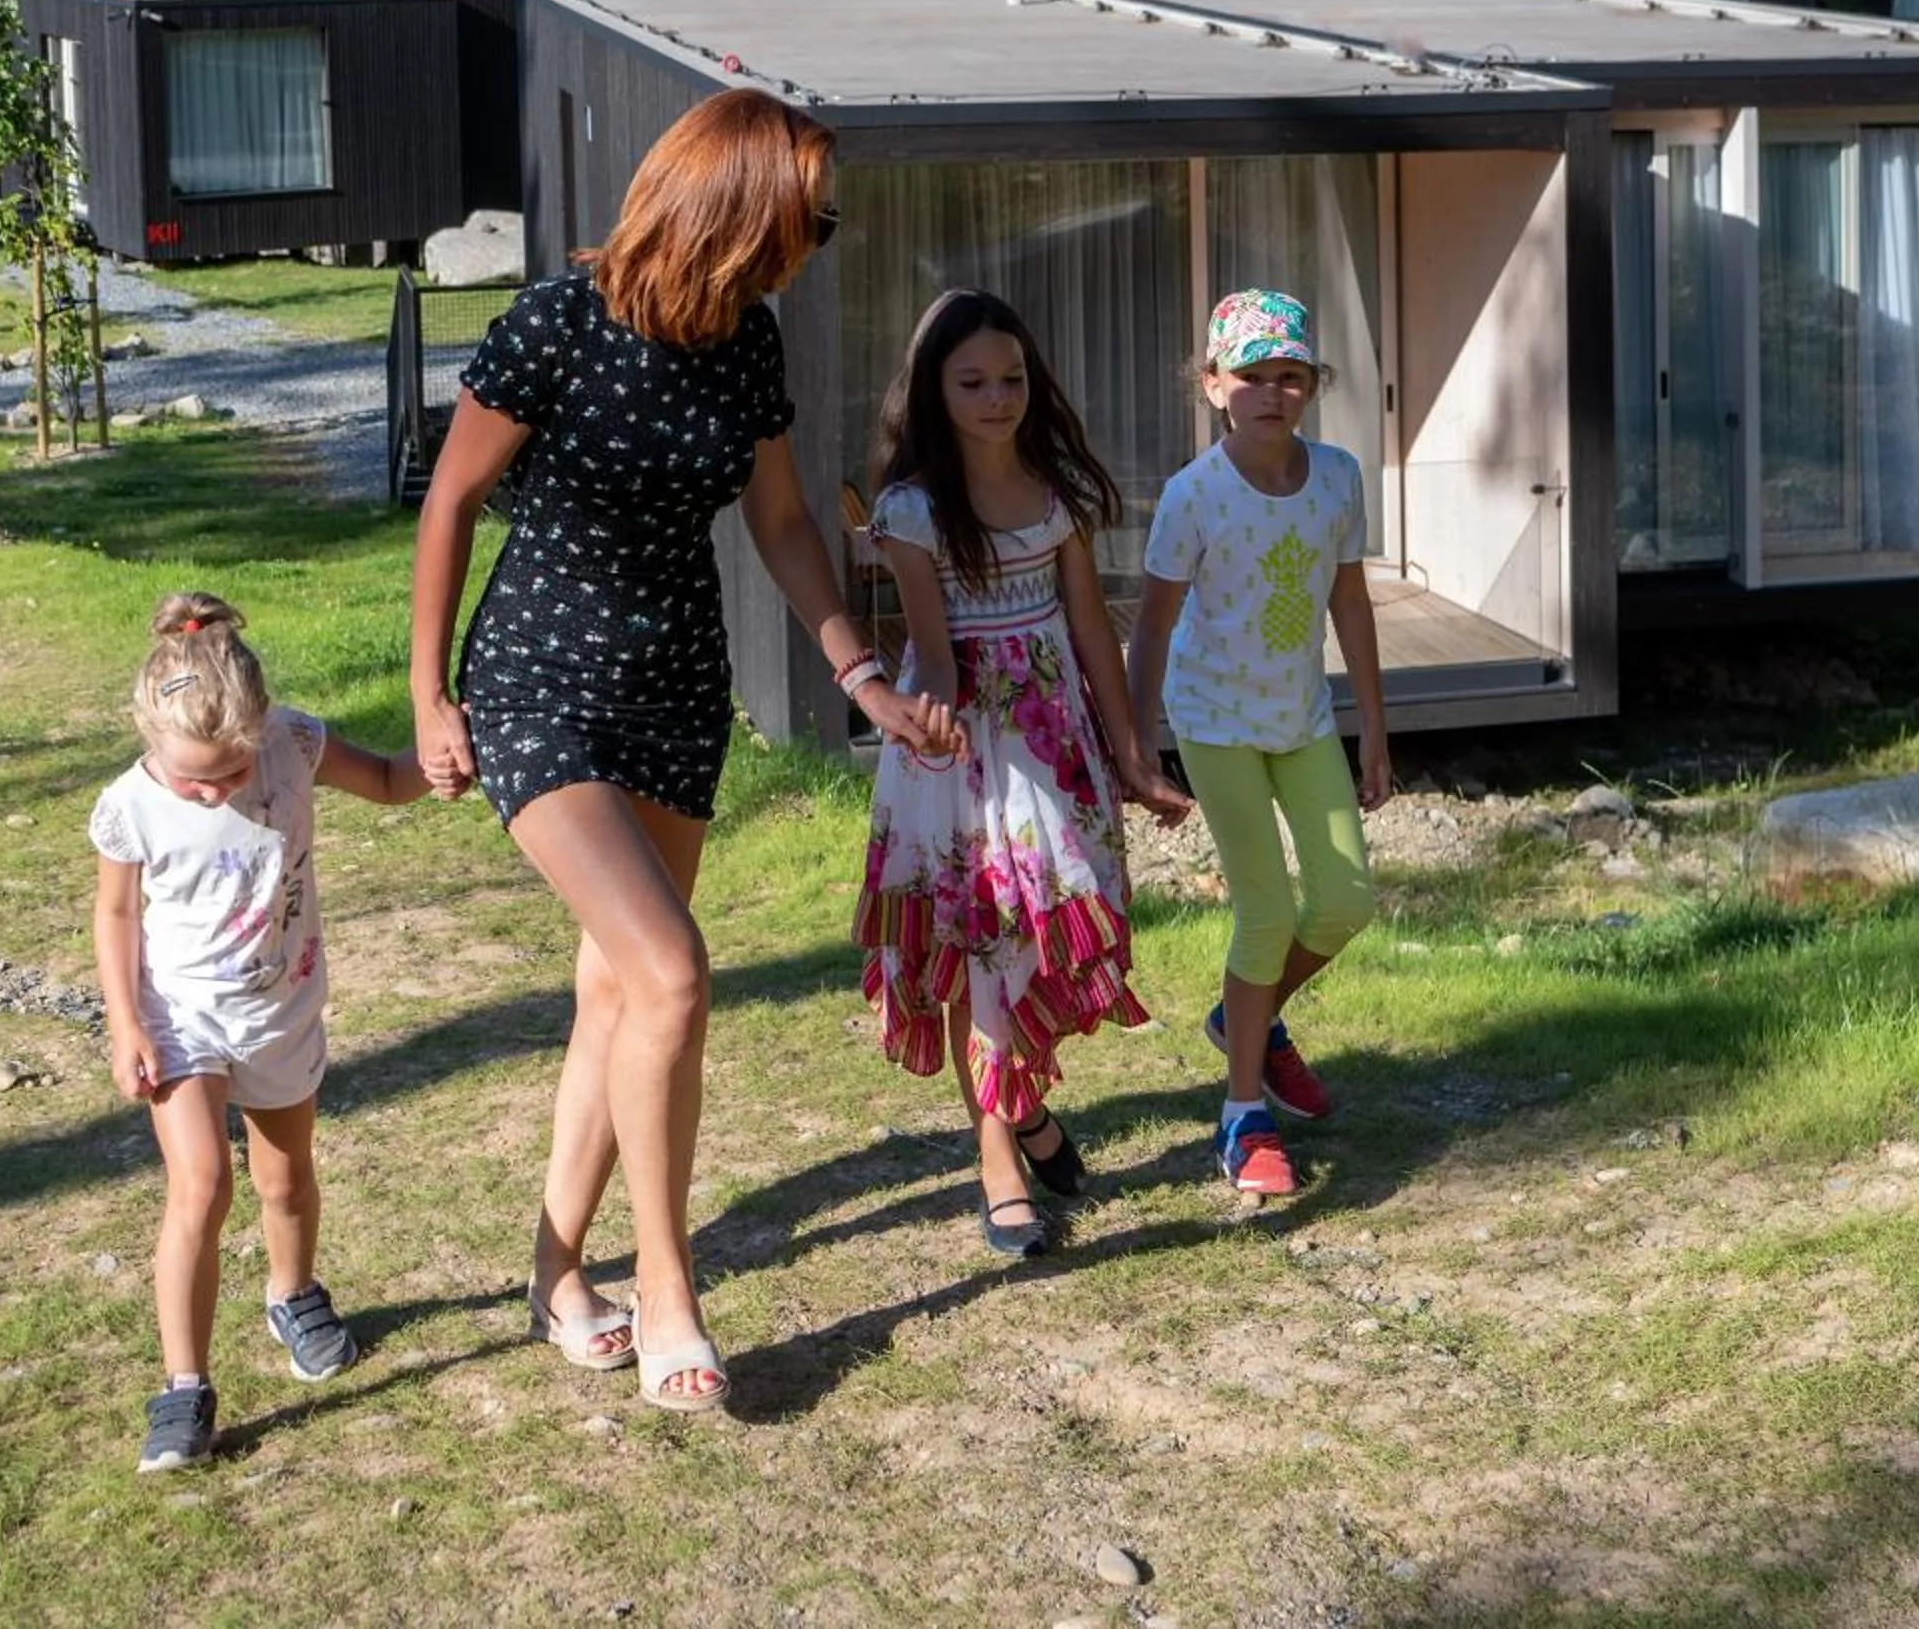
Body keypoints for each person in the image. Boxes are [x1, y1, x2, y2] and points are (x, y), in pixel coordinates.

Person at [410, 88, 946, 1413]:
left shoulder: (747, 340)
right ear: (738, 210)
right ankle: (667, 1285)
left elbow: (781, 521)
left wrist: (860, 673)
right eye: (810, 219)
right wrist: (429, 696)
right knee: (673, 971)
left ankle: (554, 1273)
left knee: (621, 991)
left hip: (675, 691)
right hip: (539, 684)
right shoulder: (554, 324)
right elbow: (452, 498)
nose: (817, 242)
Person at [852, 289, 1191, 1257]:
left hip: (1054, 749)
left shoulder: (1059, 496)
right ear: (933, 389)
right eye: (972, 383)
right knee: (976, 944)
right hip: (956, 755)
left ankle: (1025, 1104)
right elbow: (934, 655)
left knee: (1035, 943)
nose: (996, 398)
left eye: (1011, 379)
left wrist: (1134, 755)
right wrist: (933, 726)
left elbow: (1089, 633)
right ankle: (999, 1156)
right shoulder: (912, 510)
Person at [89, 592, 429, 1473]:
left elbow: (389, 781)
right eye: (192, 781)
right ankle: (183, 1387)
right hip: (181, 1017)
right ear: (149, 738)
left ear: (263, 729)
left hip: (281, 1007)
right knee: (201, 1186)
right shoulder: (131, 806)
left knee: (285, 1179)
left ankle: (293, 1292)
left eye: (231, 774)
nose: (213, 793)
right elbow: (116, 915)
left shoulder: (294, 745)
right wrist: (125, 1021)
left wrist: (447, 751)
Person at [1125, 289, 1390, 1201]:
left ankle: (1248, 1017)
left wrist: (1375, 729)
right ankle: (1244, 1114)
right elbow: (1152, 627)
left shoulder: (1338, 477)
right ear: (1212, 385)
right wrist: (1138, 748)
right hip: (1213, 722)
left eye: (1292, 376)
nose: (1273, 393)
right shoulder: (1192, 496)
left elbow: (1350, 602)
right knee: (1267, 915)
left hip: (1301, 718)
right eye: (1252, 375)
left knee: (1347, 899)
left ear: (1313, 385)